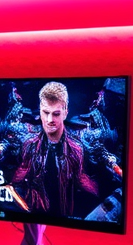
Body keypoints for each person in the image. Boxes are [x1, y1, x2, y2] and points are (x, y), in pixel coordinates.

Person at [11, 81, 97, 219]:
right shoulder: (29, 144)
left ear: (65, 113)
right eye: (46, 112)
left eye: (56, 114)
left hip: (64, 216)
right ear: (40, 111)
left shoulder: (76, 149)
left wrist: (100, 197)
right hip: (34, 214)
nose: (50, 119)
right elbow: (19, 175)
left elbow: (81, 178)